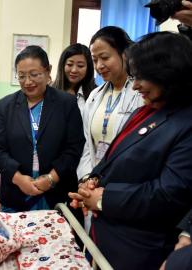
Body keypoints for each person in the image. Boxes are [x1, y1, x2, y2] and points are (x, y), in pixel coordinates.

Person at [69, 31, 192, 270]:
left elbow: (168, 194)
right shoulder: (147, 111)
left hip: (139, 248)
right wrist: (92, 181)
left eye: (141, 78)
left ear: (167, 75)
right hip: (108, 237)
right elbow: (114, 154)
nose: (134, 86)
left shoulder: (185, 123)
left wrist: (104, 198)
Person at [0, 45, 85, 212]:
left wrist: (51, 179)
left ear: (48, 71)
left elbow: (74, 147)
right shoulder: (5, 106)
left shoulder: (66, 104)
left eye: (34, 75)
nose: (28, 82)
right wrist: (18, 179)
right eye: (21, 76)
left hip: (57, 189)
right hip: (16, 190)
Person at [76, 26, 144, 181]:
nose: (99, 65)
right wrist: (87, 178)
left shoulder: (141, 94)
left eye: (105, 58)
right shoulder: (94, 96)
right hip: (94, 181)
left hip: (125, 181)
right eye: (94, 60)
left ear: (125, 55)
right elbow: (88, 145)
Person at [52, 43, 96, 114]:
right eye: (69, 64)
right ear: (62, 65)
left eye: (80, 66)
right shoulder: (50, 91)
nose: (74, 70)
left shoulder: (95, 94)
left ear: (88, 68)